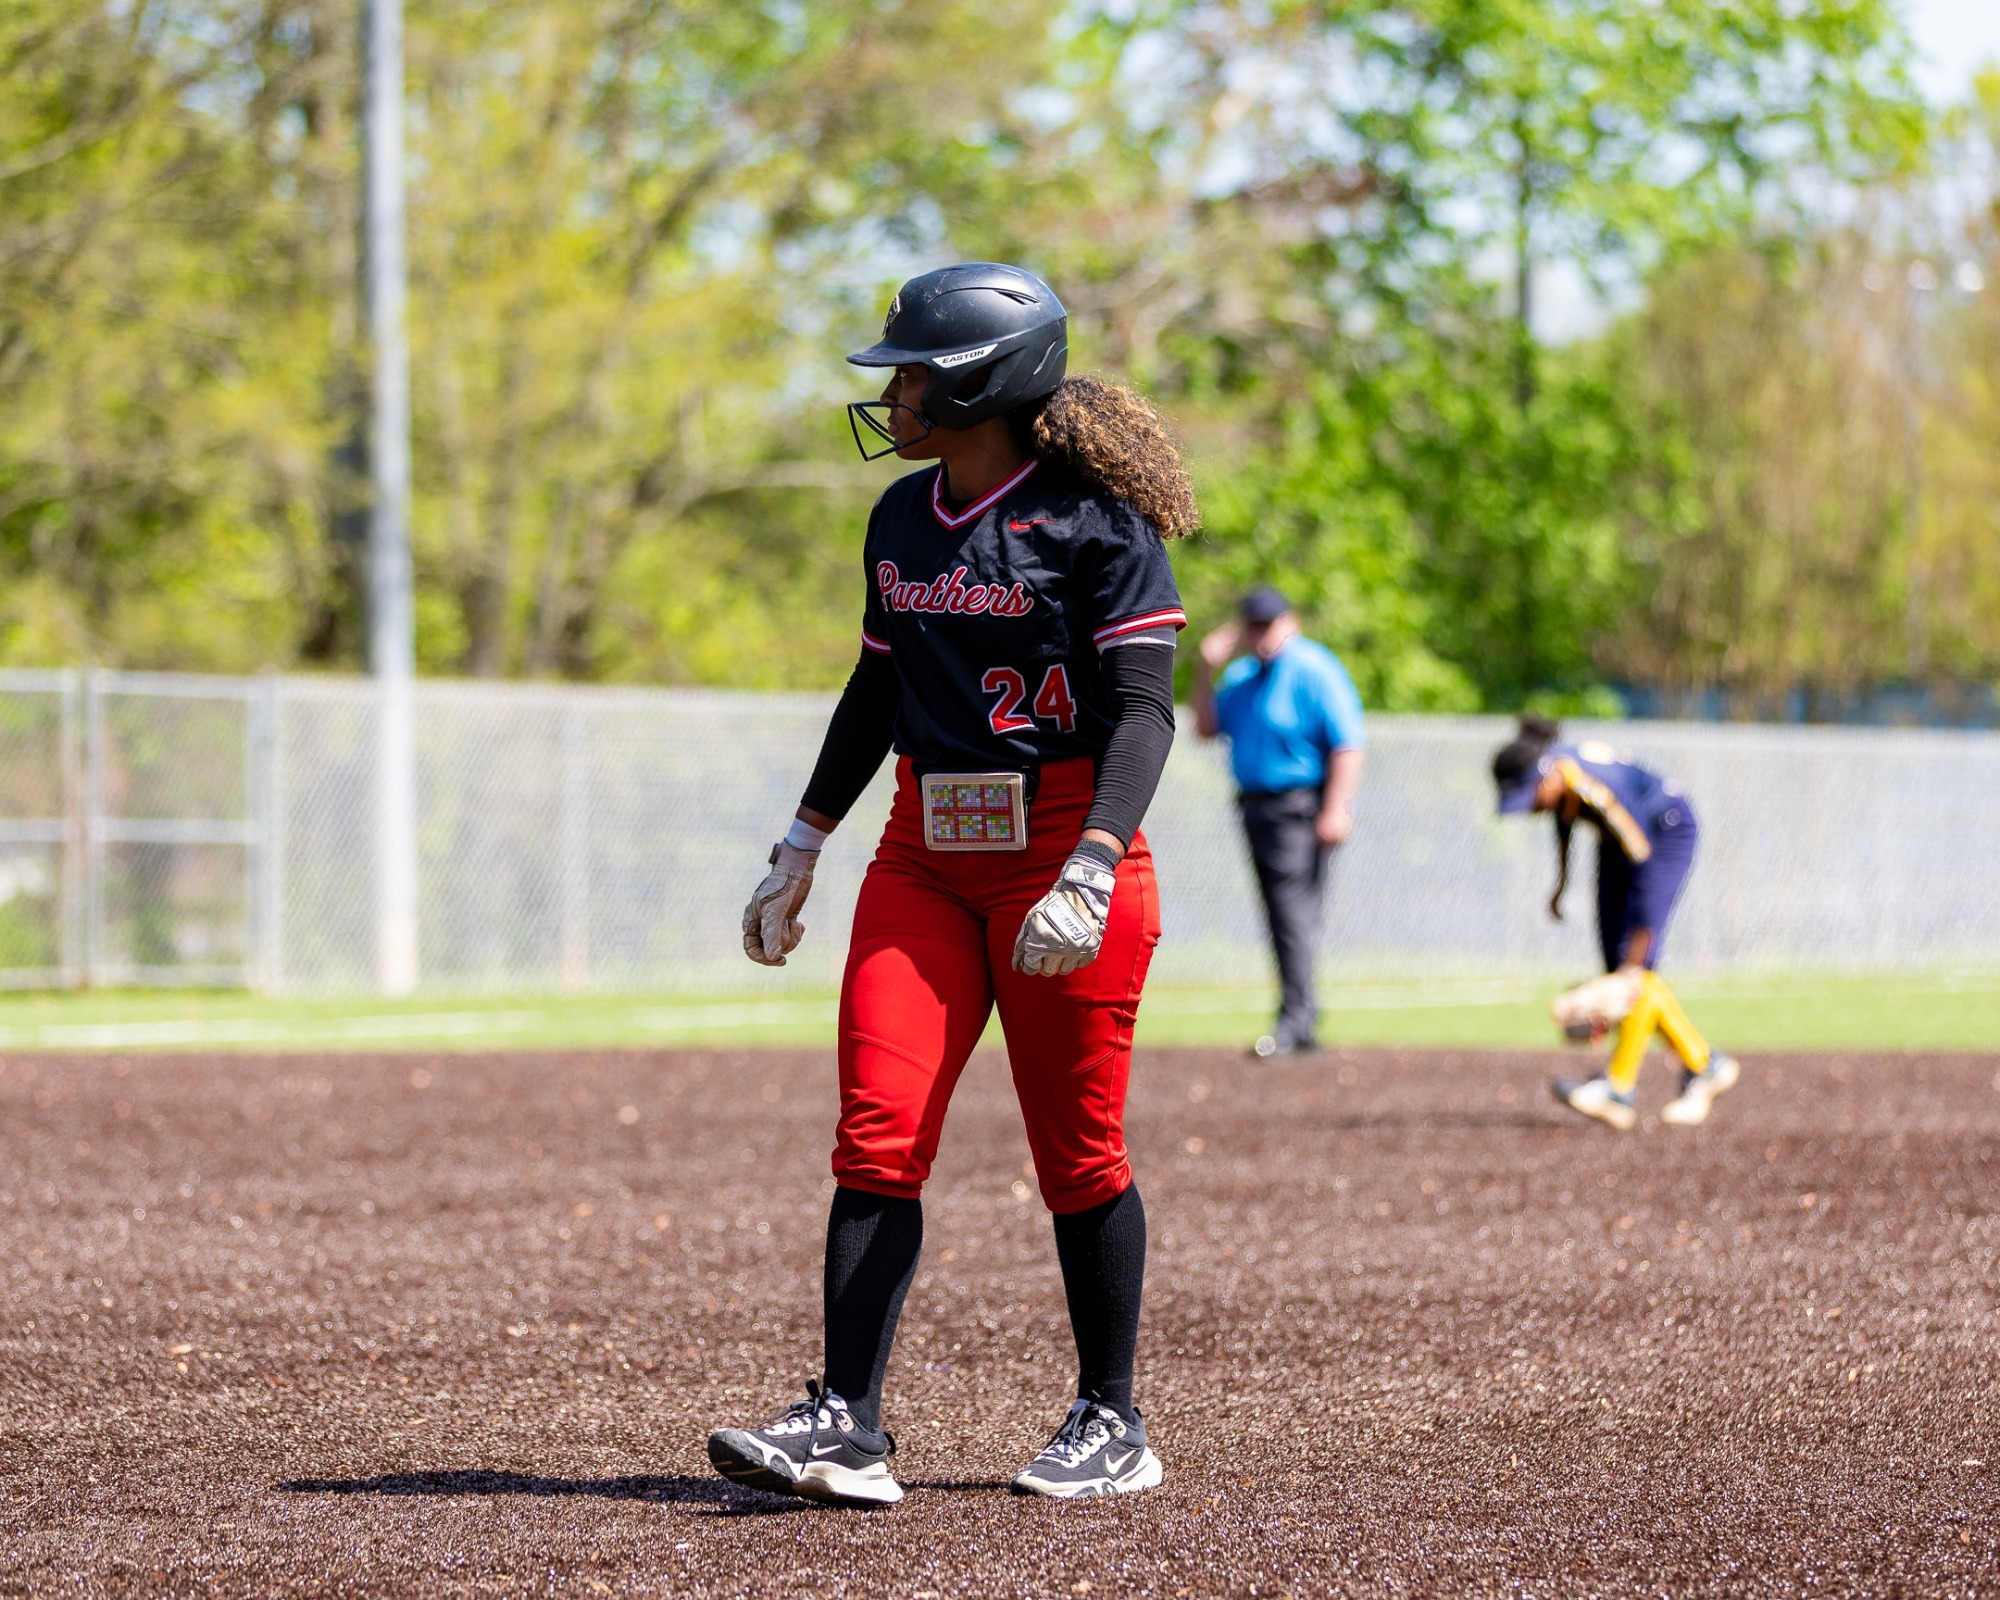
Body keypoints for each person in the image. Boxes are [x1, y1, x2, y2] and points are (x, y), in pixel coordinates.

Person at [709, 262, 1198, 1509]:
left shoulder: (1097, 524)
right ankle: (846, 1424)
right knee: (875, 1132)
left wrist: (1092, 862)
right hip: (922, 853)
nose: (895, 396)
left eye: (913, 374)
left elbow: (1145, 712)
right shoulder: (899, 518)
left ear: (985, 381)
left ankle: (1111, 1419)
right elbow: (876, 689)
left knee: (1077, 1153)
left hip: (1064, 848)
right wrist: (801, 842)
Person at [1491, 715, 1740, 1131]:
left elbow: (1644, 864)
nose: (1530, 806)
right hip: (1619, 845)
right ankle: (1703, 1063)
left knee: (1632, 971)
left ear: (1546, 775)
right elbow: (1564, 823)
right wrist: (1559, 886)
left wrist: (1638, 952)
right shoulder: (1561, 778)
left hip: (1664, 832)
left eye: (1529, 794)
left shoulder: (1595, 788)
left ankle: (1618, 1087)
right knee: (1617, 968)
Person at [1188, 587, 1366, 1058]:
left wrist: (1336, 808)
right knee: (1282, 913)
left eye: (1269, 624)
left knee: (1292, 913)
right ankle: (1301, 1017)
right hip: (1255, 808)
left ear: (1290, 622)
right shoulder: (1243, 675)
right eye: (1253, 626)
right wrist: (1204, 669)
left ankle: (1297, 1019)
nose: (1261, 635)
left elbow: (1348, 743)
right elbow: (1205, 729)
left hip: (1299, 807)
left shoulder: (1313, 668)